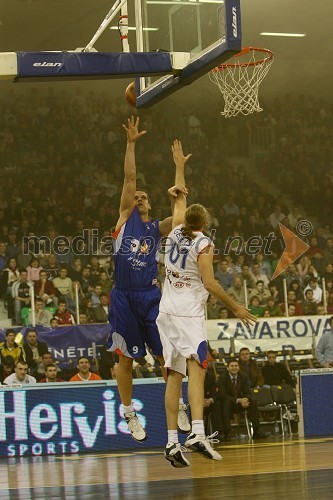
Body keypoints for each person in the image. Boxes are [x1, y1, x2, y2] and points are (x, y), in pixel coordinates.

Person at [156, 141, 256, 466]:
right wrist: (236, 307)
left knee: (173, 374)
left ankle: (172, 441)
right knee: (198, 368)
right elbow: (210, 283)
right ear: (206, 224)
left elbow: (179, 195)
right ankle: (197, 431)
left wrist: (179, 166)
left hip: (166, 312)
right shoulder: (203, 242)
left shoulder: (173, 231)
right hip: (187, 313)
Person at [107, 118, 190, 443]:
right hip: (124, 296)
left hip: (150, 296)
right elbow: (129, 178)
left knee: (168, 356)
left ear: (150, 205)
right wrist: (131, 143)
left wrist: (178, 169)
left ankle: (179, 403)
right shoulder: (124, 220)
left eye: (144, 197)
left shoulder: (155, 228)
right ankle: (128, 411)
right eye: (135, 196)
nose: (139, 197)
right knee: (125, 358)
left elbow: (181, 215)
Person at [217, 359, 267, 440]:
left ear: (238, 367)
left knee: (253, 402)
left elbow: (248, 392)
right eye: (232, 366)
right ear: (227, 368)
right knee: (226, 403)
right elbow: (222, 395)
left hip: (240, 403)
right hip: (229, 403)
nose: (234, 368)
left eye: (236, 366)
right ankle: (227, 432)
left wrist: (245, 399)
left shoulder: (243, 376)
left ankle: (256, 431)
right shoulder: (222, 378)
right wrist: (238, 400)